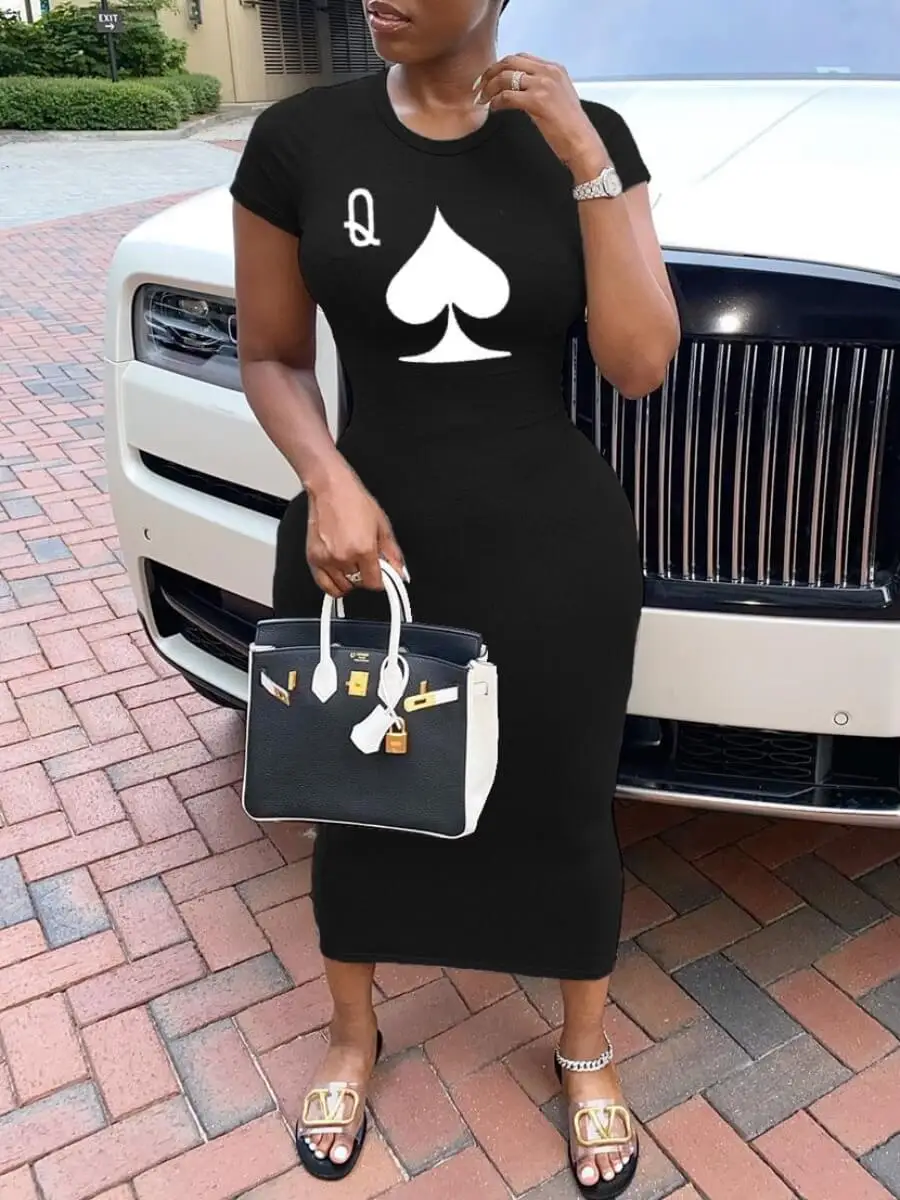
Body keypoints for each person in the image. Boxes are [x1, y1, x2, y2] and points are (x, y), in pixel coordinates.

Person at [231, 0, 679, 1193]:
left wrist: (583, 155)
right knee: (353, 796)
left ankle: (586, 1049)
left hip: (551, 541)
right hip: (363, 545)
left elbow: (640, 364)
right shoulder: (299, 139)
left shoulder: (589, 133)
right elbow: (271, 354)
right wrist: (326, 478)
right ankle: (351, 1033)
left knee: (563, 797)